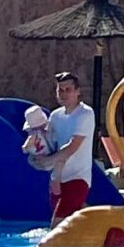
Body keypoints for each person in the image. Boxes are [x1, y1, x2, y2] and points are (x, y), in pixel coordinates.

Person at [41, 70, 97, 223]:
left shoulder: (85, 114)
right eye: (60, 90)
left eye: (68, 90)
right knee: (72, 221)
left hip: (77, 178)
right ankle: (99, 226)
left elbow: (72, 146)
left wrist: (48, 161)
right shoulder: (55, 116)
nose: (64, 93)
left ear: (77, 92)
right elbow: (49, 144)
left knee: (56, 226)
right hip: (58, 178)